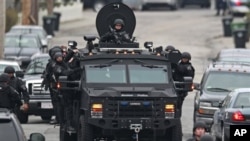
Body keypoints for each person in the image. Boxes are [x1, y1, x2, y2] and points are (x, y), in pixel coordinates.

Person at [51, 52, 80, 133]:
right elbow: (65, 73)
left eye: (61, 57)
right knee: (66, 108)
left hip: (70, 88)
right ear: (55, 58)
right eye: (58, 57)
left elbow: (68, 64)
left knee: (71, 108)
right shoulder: (56, 67)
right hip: (62, 91)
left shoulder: (64, 64)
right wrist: (75, 70)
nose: (60, 58)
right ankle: (67, 124)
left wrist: (72, 53)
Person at [173, 52, 195, 116]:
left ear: (188, 59)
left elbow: (182, 71)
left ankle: (177, 116)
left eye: (186, 59)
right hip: (174, 87)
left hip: (181, 89)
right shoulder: (178, 64)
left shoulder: (189, 67)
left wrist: (175, 66)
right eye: (183, 58)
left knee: (178, 105)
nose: (184, 60)